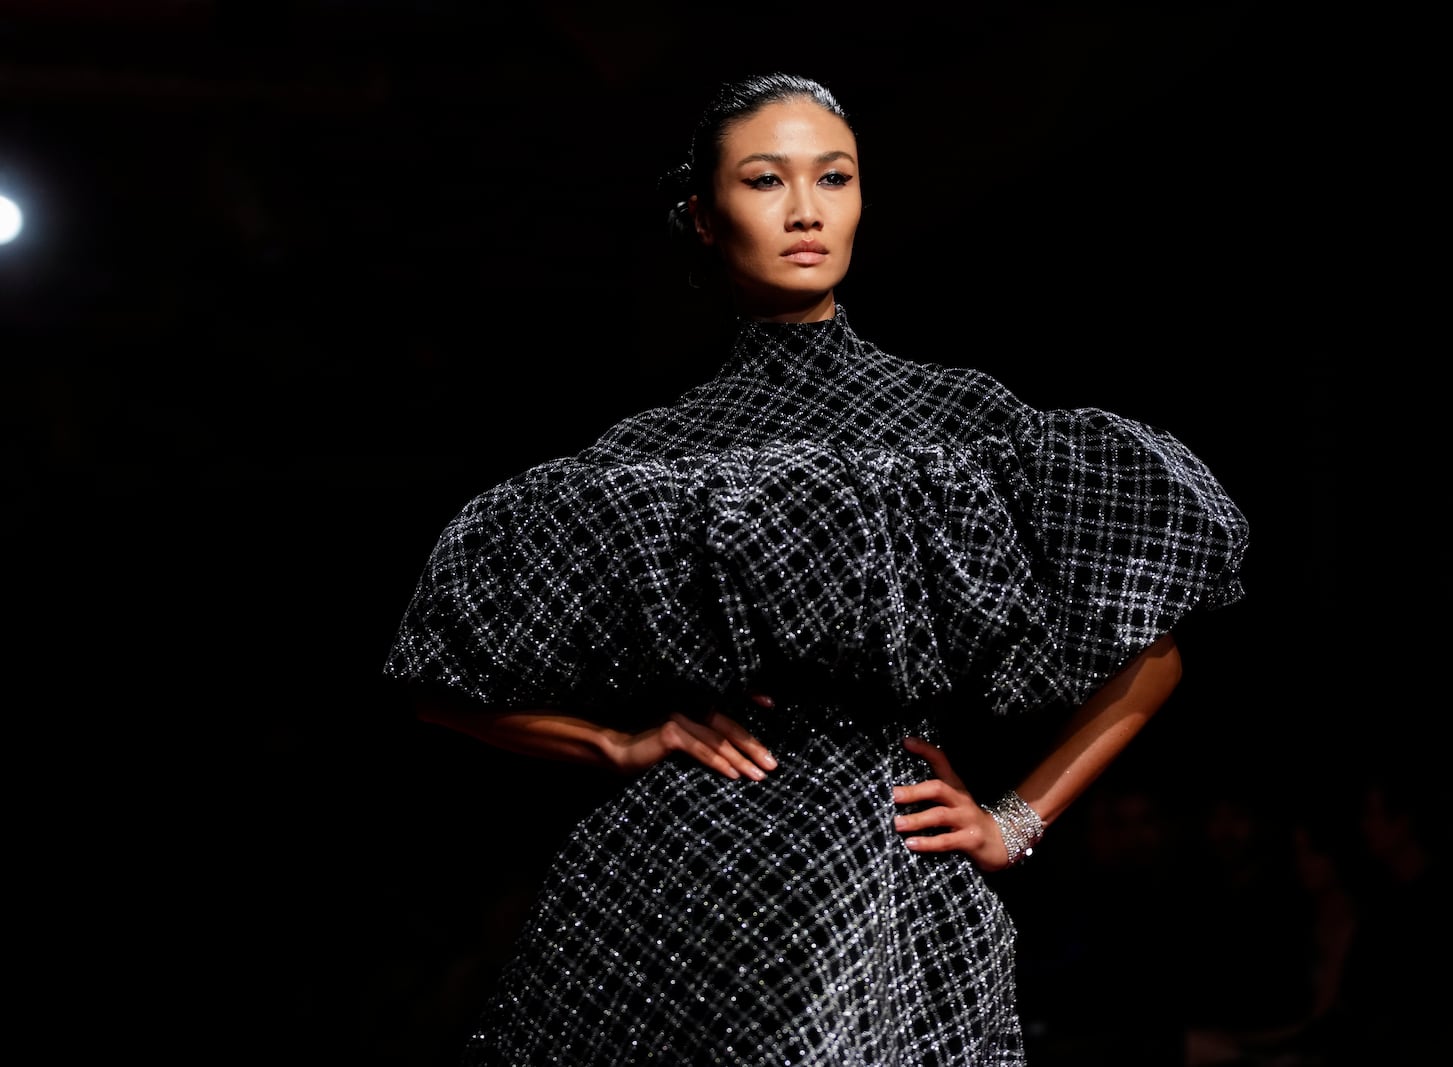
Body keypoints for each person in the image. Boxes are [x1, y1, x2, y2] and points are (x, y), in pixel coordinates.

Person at [383, 72, 1250, 1066]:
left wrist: (1016, 819)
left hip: (887, 877)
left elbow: (1155, 648)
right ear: (705, 220)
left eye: (832, 177)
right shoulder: (651, 453)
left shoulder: (961, 423)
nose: (804, 209)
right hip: (680, 885)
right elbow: (440, 680)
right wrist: (617, 746)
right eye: (764, 180)